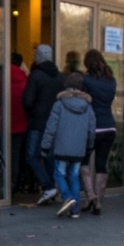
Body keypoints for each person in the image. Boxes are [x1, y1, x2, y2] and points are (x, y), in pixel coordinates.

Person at [41, 73, 97, 219]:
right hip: (79, 149)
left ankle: (67, 197)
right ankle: (75, 210)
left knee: (58, 174)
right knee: (74, 176)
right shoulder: (88, 107)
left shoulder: (59, 104)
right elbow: (92, 129)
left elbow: (51, 127)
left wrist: (45, 146)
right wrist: (89, 147)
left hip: (62, 147)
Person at [23, 44, 66, 205]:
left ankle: (48, 187)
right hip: (55, 123)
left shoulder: (35, 76)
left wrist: (31, 113)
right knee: (50, 157)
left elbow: (27, 100)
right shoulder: (61, 77)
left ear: (38, 57)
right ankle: (53, 188)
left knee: (32, 156)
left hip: (37, 122)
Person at [80, 50, 118, 215]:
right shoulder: (112, 81)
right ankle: (99, 204)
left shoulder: (86, 80)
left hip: (93, 126)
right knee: (101, 164)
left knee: (83, 161)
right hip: (110, 126)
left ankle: (91, 197)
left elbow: (84, 101)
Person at [0, 53, 28, 192]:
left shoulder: (0, 80)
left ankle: (2, 187)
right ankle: (13, 186)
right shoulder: (25, 79)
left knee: (1, 155)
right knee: (15, 157)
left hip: (3, 122)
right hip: (21, 123)